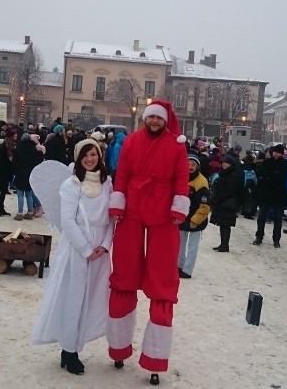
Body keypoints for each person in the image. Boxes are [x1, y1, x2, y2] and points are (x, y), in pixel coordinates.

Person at [106, 99, 189, 386]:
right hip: (132, 211)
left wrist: (179, 208)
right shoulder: (130, 141)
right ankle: (118, 348)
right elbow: (123, 175)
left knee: (162, 281)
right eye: (151, 118)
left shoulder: (177, 145)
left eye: (159, 119)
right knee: (125, 276)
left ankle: (155, 358)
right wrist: (118, 203)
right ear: (145, 119)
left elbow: (181, 179)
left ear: (166, 121)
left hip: (164, 214)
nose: (155, 122)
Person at [31, 139, 113, 375]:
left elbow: (110, 219)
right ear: (78, 158)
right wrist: (87, 250)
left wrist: (105, 246)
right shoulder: (71, 184)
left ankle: (78, 342)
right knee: (73, 298)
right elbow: (67, 221)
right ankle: (69, 350)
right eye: (85, 155)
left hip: (100, 251)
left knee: (92, 298)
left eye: (93, 154)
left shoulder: (107, 184)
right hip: (78, 250)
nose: (90, 159)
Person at [178, 153, 210, 278]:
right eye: (188, 164)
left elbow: (205, 205)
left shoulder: (201, 182)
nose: (190, 167)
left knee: (192, 246)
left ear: (198, 166)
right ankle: (179, 266)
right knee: (180, 243)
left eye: (193, 165)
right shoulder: (182, 178)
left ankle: (187, 270)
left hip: (196, 219)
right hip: (182, 217)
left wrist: (195, 220)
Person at [253, 145, 287, 247]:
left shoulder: (285, 164)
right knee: (262, 217)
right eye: (274, 152)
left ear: (281, 153)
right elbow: (262, 173)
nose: (275, 154)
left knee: (278, 218)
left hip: (278, 196)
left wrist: (270, 175)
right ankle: (259, 236)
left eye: (278, 152)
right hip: (266, 194)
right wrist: (273, 174)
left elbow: (282, 177)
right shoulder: (267, 162)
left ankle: (276, 239)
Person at [210, 154, 241, 253]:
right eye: (223, 162)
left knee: (225, 225)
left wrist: (218, 198)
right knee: (222, 224)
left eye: (226, 163)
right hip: (223, 202)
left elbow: (229, 190)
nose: (224, 164)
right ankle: (223, 244)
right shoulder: (224, 173)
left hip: (228, 203)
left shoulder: (232, 175)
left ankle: (225, 245)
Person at [13, 133, 43, 220]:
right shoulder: (34, 147)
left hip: (20, 172)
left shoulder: (19, 147)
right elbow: (38, 160)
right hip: (31, 173)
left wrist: (15, 171)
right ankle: (30, 212)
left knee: (20, 194)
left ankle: (20, 213)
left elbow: (15, 161)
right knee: (29, 194)